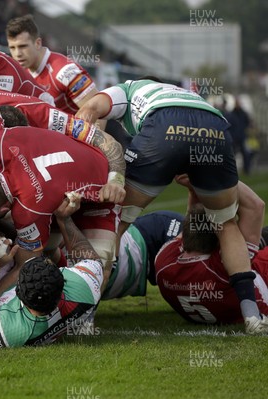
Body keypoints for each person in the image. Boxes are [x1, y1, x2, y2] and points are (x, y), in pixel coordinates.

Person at [75, 77, 268, 334]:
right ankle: (252, 317)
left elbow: (89, 110)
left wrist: (91, 151)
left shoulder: (128, 89)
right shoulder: (182, 93)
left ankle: (85, 318)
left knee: (112, 225)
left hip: (164, 126)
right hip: (213, 127)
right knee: (226, 223)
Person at [0, 88, 124, 303]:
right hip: (54, 190)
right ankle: (56, 269)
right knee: (47, 247)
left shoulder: (43, 114)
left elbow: (25, 264)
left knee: (95, 275)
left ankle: (70, 313)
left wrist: (115, 180)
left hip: (100, 192)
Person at [0, 203, 103, 348]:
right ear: (62, 282)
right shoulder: (86, 286)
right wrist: (64, 219)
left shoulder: (5, 330)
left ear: (18, 294)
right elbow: (91, 260)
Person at [5, 14, 131, 147]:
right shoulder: (21, 72)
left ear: (37, 43)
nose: (17, 54)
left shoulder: (65, 71)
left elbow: (99, 114)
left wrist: (90, 152)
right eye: (12, 48)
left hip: (102, 140)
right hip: (65, 141)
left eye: (23, 46)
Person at [156, 208, 268, 326]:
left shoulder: (163, 261)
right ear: (219, 244)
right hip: (254, 305)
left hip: (205, 312)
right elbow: (255, 207)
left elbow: (186, 232)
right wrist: (219, 191)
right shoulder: (222, 266)